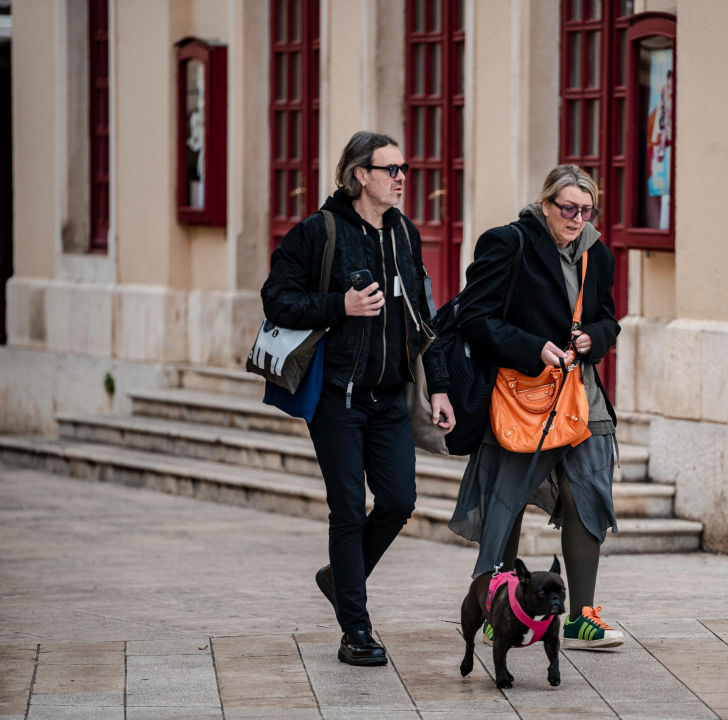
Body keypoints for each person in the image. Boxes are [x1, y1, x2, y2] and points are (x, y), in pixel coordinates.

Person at [261, 131, 454, 666]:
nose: (400, 178)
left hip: (391, 397)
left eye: (404, 169)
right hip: (338, 400)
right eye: (389, 169)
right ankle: (356, 629)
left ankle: (338, 577)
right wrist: (338, 305)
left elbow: (423, 319)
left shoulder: (404, 234)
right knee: (347, 511)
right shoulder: (317, 232)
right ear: (359, 175)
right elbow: (276, 299)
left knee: (398, 502)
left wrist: (436, 386)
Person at [449, 165, 624, 650]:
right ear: (545, 204)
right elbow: (474, 319)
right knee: (506, 502)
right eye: (568, 208)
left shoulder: (598, 253)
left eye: (587, 210)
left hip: (581, 396)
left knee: (587, 498)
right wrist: (533, 348)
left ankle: (580, 615)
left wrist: (597, 337)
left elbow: (609, 316)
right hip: (522, 398)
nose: (578, 219)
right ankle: (494, 609)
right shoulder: (508, 243)